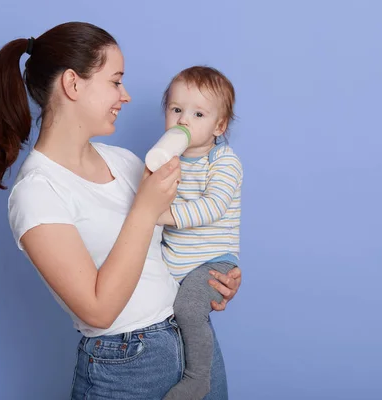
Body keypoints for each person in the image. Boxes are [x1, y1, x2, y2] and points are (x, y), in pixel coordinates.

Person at [0, 22, 242, 400]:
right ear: (73, 84)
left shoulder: (126, 162)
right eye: (115, 81)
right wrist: (145, 210)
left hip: (191, 346)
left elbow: (170, 249)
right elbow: (98, 311)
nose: (126, 95)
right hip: (127, 365)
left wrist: (215, 273)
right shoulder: (36, 192)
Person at [155, 66, 242, 400]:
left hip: (211, 261)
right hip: (172, 259)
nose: (183, 121)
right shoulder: (166, 159)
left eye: (198, 113)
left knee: (189, 310)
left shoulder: (223, 161)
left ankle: (198, 378)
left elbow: (213, 206)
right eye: (176, 109)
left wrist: (162, 214)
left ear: (219, 126)